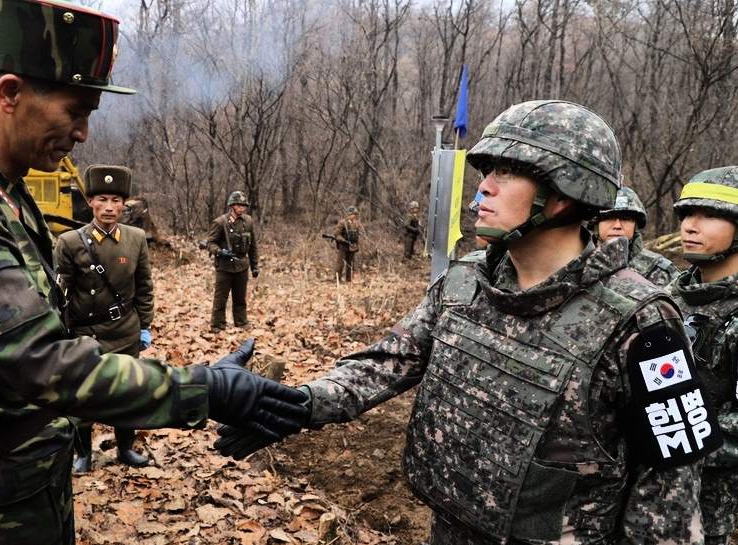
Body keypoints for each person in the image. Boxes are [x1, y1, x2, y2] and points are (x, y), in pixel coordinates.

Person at [0, 1, 308, 543]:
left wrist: (197, 374)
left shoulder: (3, 191)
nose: (83, 134)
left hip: (27, 479)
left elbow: (47, 340)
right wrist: (206, 390)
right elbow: (45, 364)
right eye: (76, 111)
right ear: (11, 94)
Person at [217, 100, 718, 544]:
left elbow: (669, 483)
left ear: (564, 193)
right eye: (487, 171)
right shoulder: (466, 282)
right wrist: (297, 405)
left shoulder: (643, 322)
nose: (484, 188)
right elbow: (385, 364)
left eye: (508, 173)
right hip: (451, 525)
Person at [55, 165, 153, 472]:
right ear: (90, 202)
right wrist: (61, 331)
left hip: (125, 329)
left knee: (127, 392)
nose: (109, 207)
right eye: (101, 199)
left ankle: (125, 449)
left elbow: (144, 286)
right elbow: (60, 292)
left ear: (124, 204)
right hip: (86, 332)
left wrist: (145, 326)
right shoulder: (70, 242)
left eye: (115, 200)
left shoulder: (136, 239)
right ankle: (82, 453)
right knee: (84, 396)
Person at [669, 166, 738, 544]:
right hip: (644, 499)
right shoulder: (666, 298)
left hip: (707, 506)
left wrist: (674, 438)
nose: (690, 226)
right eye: (686, 214)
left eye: (709, 215)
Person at [593, 185, 679, 286]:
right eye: (608, 218)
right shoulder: (577, 266)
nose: (617, 226)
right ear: (595, 224)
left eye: (625, 219)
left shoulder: (661, 271)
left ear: (636, 226)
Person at [207, 191, 259, 331]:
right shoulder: (220, 222)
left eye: (243, 206)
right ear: (232, 206)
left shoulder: (248, 221)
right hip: (225, 265)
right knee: (220, 299)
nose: (242, 208)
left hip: (242, 264)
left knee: (240, 298)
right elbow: (210, 243)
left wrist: (255, 266)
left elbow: (253, 245)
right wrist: (219, 251)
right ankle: (217, 325)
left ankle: (241, 322)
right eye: (239, 205)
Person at [333, 206, 360, 282]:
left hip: (352, 245)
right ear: (349, 214)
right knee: (340, 263)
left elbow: (357, 235)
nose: (354, 216)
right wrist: (343, 240)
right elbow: (336, 234)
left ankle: (348, 279)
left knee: (350, 263)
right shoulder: (343, 222)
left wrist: (357, 245)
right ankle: (337, 279)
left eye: (355, 214)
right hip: (343, 245)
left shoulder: (356, 223)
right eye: (353, 214)